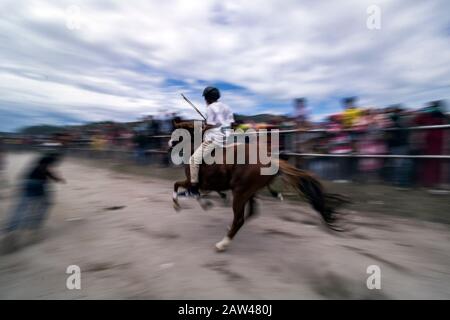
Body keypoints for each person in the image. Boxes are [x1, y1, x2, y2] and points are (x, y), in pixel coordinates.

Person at [187, 87, 234, 197]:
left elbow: (211, 125)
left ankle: (193, 189)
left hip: (214, 140)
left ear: (208, 98)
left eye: (205, 98)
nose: (205, 101)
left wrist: (202, 129)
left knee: (193, 159)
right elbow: (230, 123)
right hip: (227, 139)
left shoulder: (210, 108)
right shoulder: (226, 107)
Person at [4, 152, 65, 235]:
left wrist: (56, 178)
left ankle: (11, 227)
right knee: (45, 203)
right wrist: (57, 178)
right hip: (37, 183)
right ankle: (34, 225)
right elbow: (46, 170)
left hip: (27, 182)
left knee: (22, 206)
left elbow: (46, 172)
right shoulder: (47, 162)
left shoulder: (38, 163)